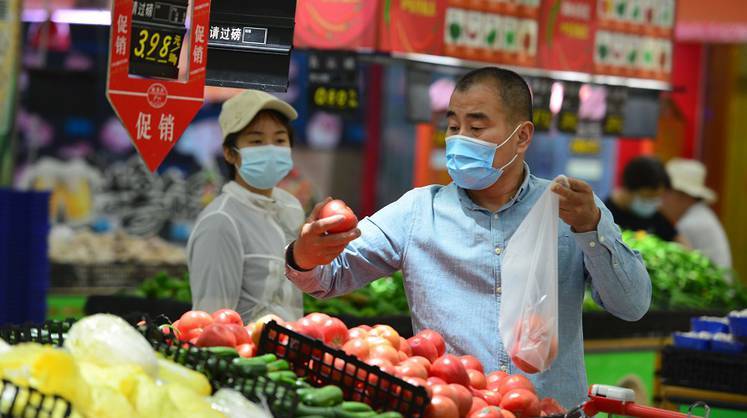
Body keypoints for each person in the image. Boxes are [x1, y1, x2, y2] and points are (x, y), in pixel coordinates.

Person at [284, 67, 651, 408]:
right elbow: (330, 276)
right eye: (453, 126)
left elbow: (632, 305)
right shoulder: (417, 212)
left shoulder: (569, 209)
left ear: (522, 136)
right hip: (456, 409)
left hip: (551, 411)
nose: (459, 139)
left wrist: (591, 230)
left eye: (476, 128)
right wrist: (305, 255)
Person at [187, 90, 305, 324]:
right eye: (256, 141)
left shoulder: (291, 208)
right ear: (230, 153)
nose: (271, 149)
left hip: (291, 343)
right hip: (247, 347)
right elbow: (212, 323)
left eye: (280, 140)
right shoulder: (220, 222)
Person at [661, 158, 732, 270]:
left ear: (682, 196)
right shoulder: (700, 215)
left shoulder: (690, 224)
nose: (661, 199)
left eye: (666, 192)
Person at [604, 156, 684, 244]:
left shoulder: (656, 216)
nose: (653, 202)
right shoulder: (604, 216)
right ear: (628, 189)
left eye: (657, 197)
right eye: (648, 197)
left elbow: (678, 240)